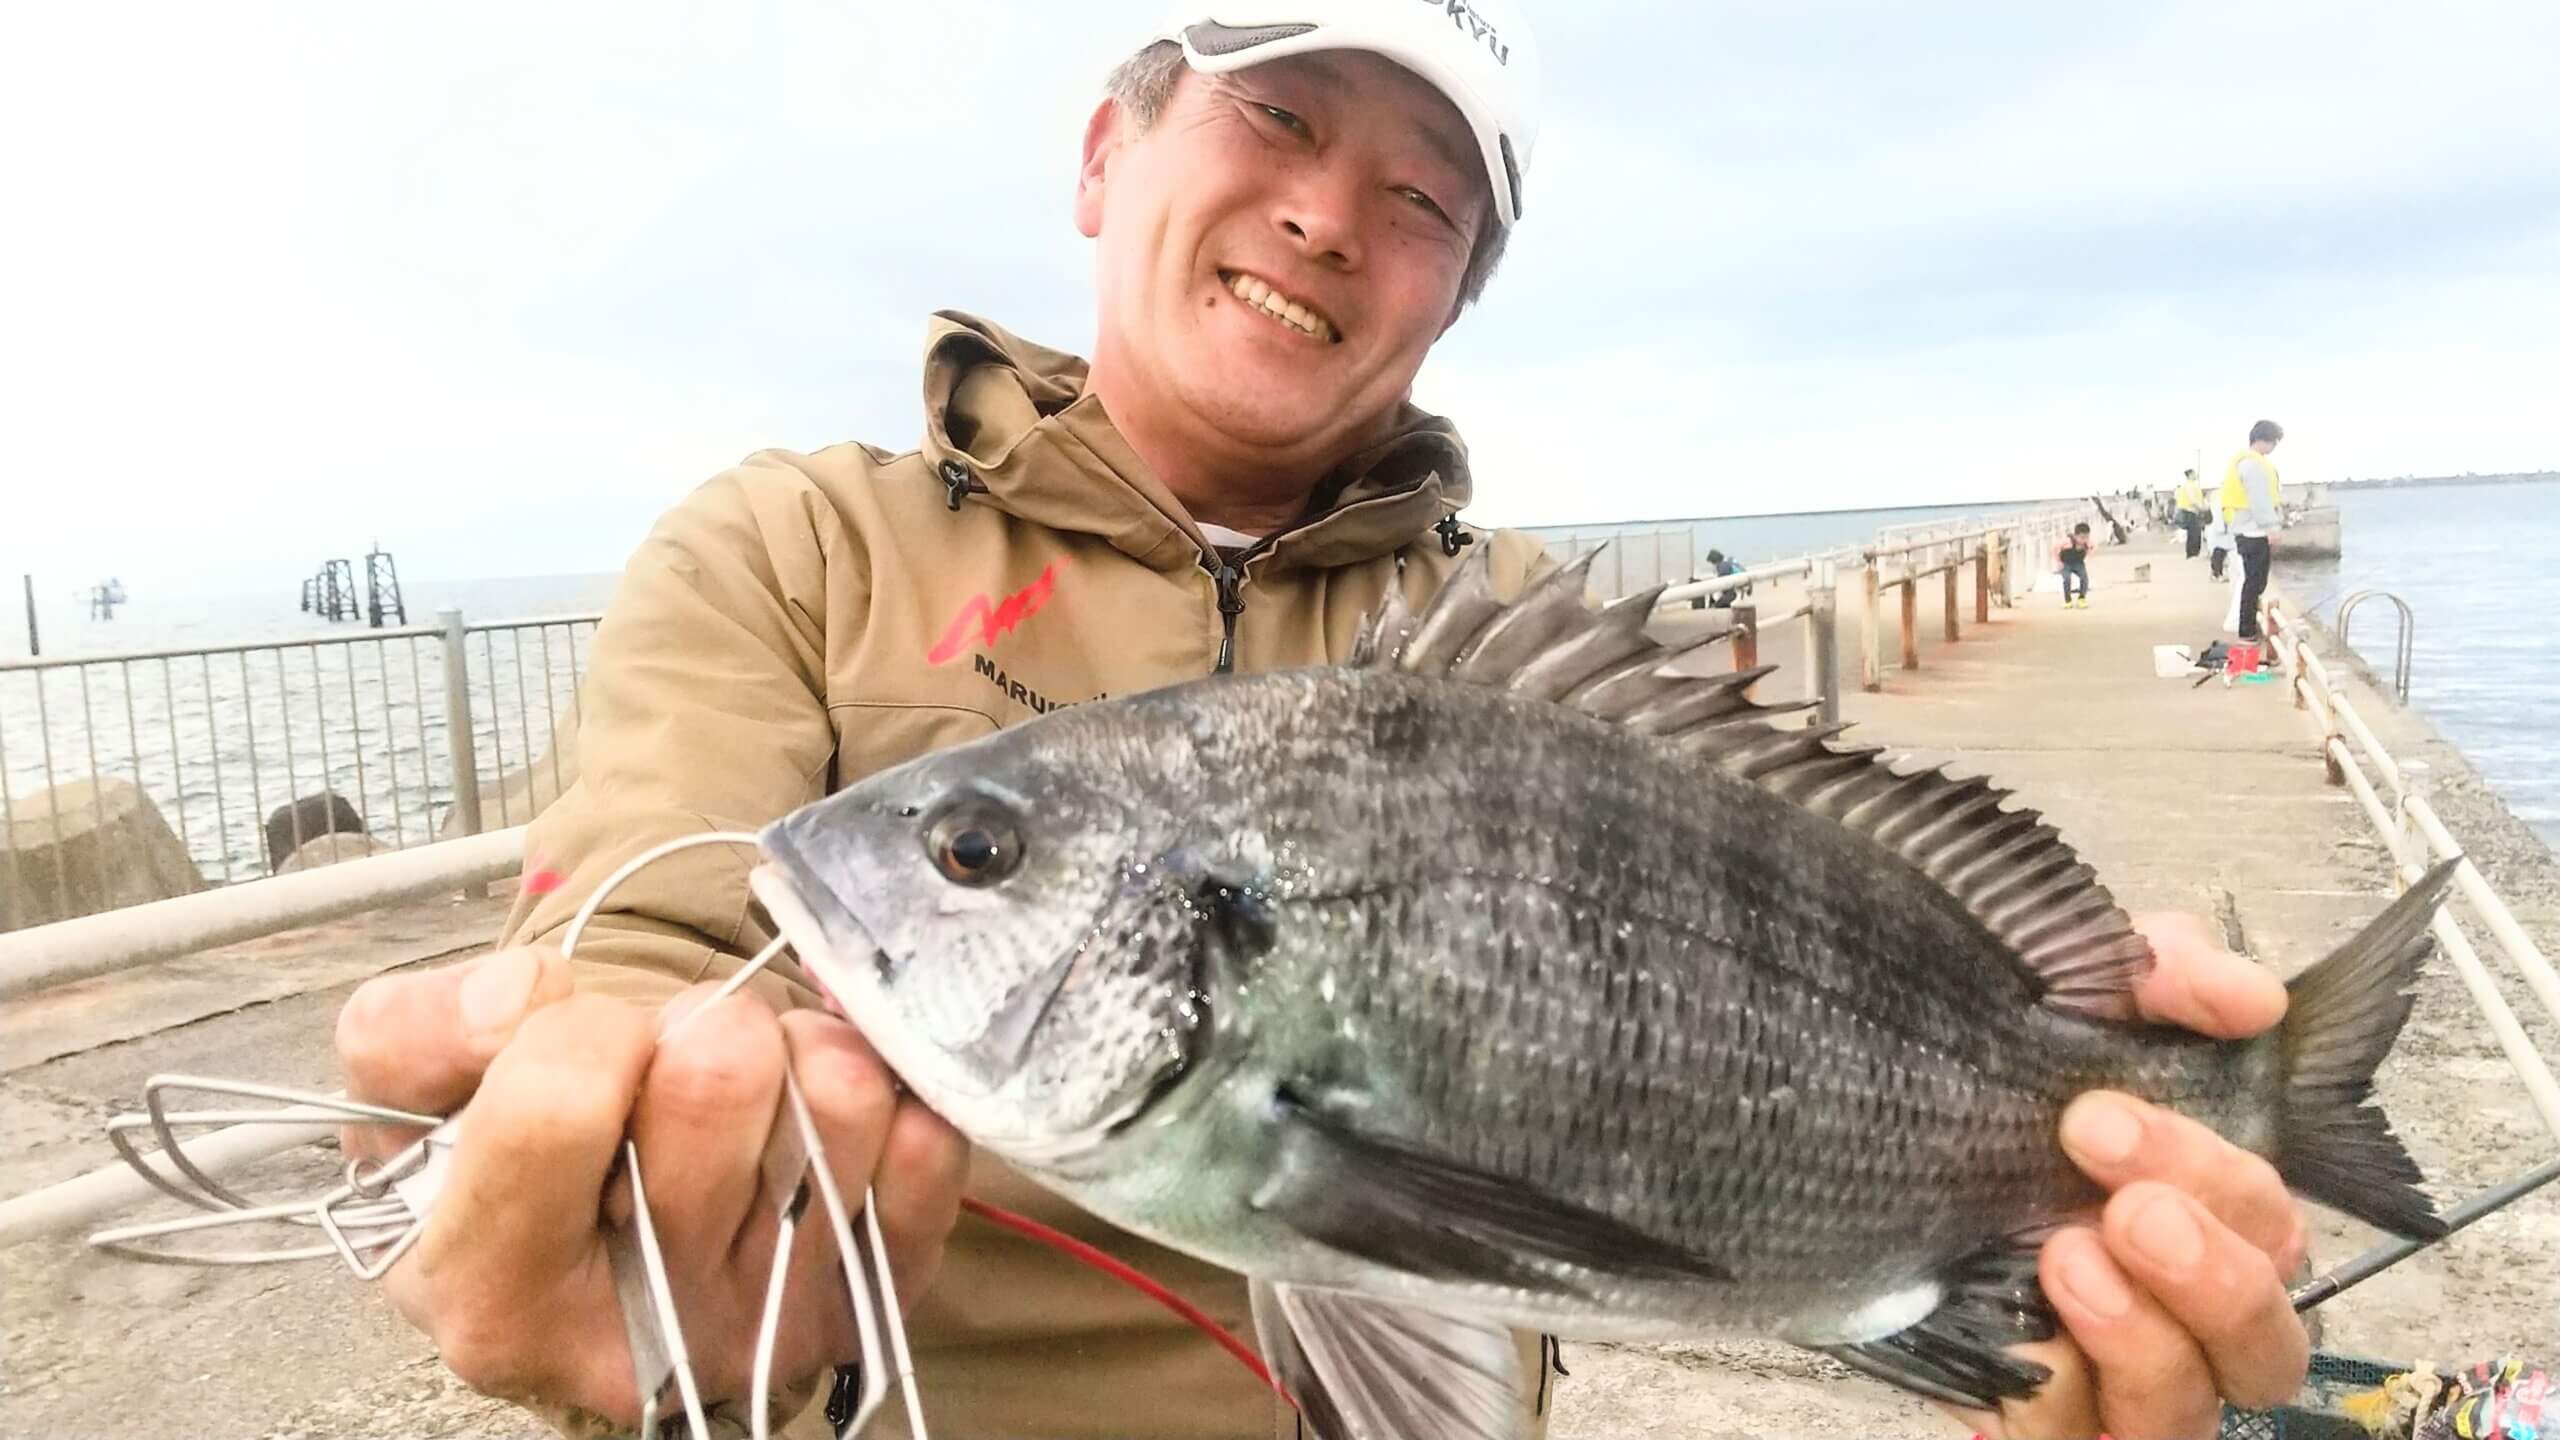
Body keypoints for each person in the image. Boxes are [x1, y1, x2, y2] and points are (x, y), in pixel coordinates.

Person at [329, 10, 2327, 1440]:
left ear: (1448, 295)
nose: (1323, 215)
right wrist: (574, 1145)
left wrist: (2034, 1294)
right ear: (1108, 152)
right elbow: (642, 959)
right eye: (1276, 118)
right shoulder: (791, 550)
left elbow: (1711, 1129)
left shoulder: (1533, 641)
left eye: (1418, 198)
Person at [2223, 420, 2284, 641]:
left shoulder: (2242, 461)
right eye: (2274, 442)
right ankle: (2247, 629)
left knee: (2252, 582)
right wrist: (2272, 528)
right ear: (2266, 440)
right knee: (2255, 583)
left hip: (2243, 530)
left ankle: (2248, 627)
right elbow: (2259, 501)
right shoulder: (2254, 465)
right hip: (2254, 532)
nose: (2274, 448)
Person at [2060, 521, 2093, 608]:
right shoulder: (2068, 542)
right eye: (2082, 538)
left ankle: (2082, 598)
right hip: (2066, 563)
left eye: (2086, 537)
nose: (2084, 540)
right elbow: (2055, 548)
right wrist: (2059, 562)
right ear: (2075, 536)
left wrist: (2088, 555)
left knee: (2084, 578)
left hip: (2078, 563)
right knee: (2067, 579)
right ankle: (2068, 600)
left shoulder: (2087, 543)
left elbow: (2093, 547)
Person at [2174, 470, 2206, 558]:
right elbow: (2193, 499)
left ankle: (2192, 553)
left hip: (2190, 511)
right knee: (2194, 534)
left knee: (2193, 533)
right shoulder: (2190, 485)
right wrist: (2201, 508)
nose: (2196, 475)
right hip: (2190, 511)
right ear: (2190, 475)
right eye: (2194, 473)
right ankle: (2192, 554)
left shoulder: (2188, 485)